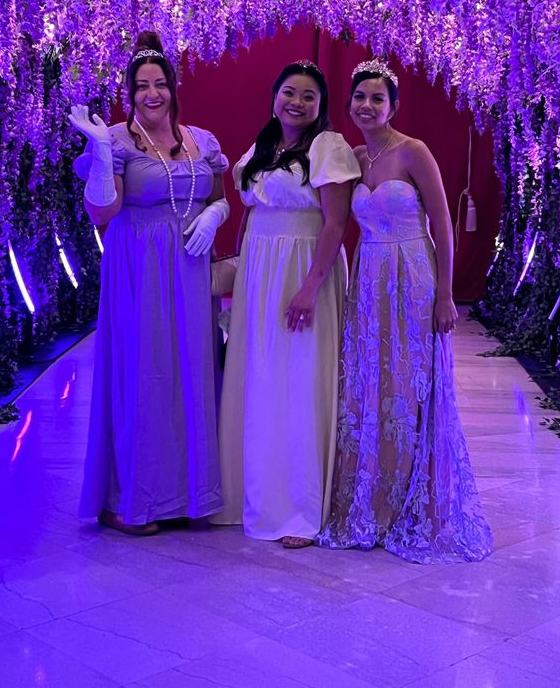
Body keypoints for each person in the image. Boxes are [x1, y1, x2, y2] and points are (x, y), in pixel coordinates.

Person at [317, 60, 493, 562]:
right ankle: (371, 497)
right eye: (360, 98)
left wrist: (445, 294)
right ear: (348, 104)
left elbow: (442, 223)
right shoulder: (352, 157)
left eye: (377, 98)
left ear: (393, 106)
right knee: (372, 384)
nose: (367, 106)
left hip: (413, 276)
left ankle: (414, 503)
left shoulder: (414, 151)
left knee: (410, 385)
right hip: (369, 280)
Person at [69, 31, 230, 536]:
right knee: (142, 373)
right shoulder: (116, 139)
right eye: (142, 86)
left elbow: (221, 194)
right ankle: (130, 499)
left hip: (190, 265)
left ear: (175, 88)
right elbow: (104, 209)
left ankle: (188, 495)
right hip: (138, 267)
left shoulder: (201, 140)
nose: (152, 94)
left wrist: (216, 214)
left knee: (192, 372)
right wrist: (98, 152)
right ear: (129, 91)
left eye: (160, 83)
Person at [213, 61, 360, 548]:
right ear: (274, 96)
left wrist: (310, 286)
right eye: (289, 93)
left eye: (308, 97)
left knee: (298, 380)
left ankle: (297, 508)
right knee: (260, 376)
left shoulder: (328, 148)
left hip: (303, 269)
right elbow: (251, 215)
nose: (296, 103)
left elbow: (336, 225)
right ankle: (250, 493)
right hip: (260, 271)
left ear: (320, 106)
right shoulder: (264, 146)